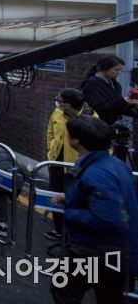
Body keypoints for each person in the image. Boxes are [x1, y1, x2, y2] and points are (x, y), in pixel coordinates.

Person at [51, 115, 138, 304]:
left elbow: (106, 219)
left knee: (63, 286)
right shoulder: (116, 165)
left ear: (77, 140)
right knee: (109, 296)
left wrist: (70, 213)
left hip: (97, 251)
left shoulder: (97, 173)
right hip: (120, 251)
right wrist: (72, 198)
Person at [44, 89, 95, 241]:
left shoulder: (90, 118)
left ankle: (74, 233)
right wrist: (51, 147)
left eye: (59, 100)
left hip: (76, 165)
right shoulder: (57, 113)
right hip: (56, 162)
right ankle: (59, 229)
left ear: (67, 105)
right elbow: (50, 131)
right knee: (56, 195)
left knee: (74, 198)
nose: (57, 102)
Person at [81, 55, 138, 125]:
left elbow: (119, 107)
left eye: (120, 70)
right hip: (98, 125)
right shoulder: (92, 84)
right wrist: (123, 101)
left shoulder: (115, 84)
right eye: (116, 70)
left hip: (112, 125)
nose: (119, 73)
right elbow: (97, 107)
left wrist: (129, 104)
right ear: (104, 68)